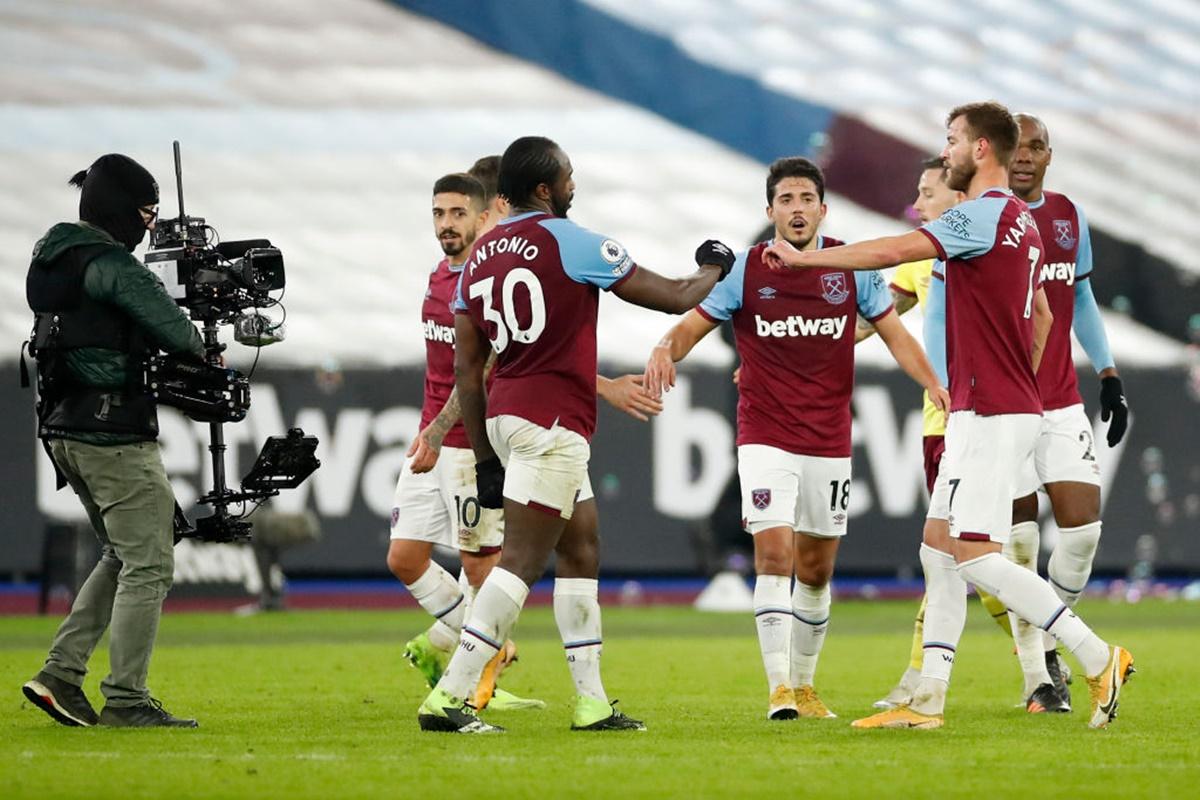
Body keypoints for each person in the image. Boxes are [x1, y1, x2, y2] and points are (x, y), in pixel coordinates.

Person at [764, 102, 1133, 730]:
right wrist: (1013, 375)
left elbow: (894, 251)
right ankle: (926, 699)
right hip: (993, 406)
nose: (947, 149)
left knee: (976, 557)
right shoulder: (1023, 220)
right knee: (939, 552)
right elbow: (1042, 317)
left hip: (988, 412)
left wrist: (805, 260)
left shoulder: (978, 217)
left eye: (953, 140)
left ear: (981, 149)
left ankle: (1099, 658)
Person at [417, 135, 732, 733]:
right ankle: (449, 696)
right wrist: (716, 263)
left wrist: (485, 456)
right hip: (553, 421)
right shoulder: (574, 240)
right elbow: (673, 297)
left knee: (580, 544)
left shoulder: (480, 257)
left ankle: (590, 702)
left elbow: (467, 366)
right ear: (545, 188)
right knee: (521, 562)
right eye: (567, 176)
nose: (573, 184)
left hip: (508, 416)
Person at [642, 157, 948, 721]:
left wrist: (934, 383)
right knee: (774, 554)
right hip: (765, 436)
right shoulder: (745, 270)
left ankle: (806, 688)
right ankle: (780, 687)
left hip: (829, 439)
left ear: (823, 209)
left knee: (816, 570)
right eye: (786, 200)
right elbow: (691, 325)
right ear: (771, 211)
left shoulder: (850, 268)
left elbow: (895, 334)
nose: (797, 209)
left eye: (807, 198)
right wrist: (664, 347)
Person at [22, 154, 204, 728]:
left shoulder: (52, 255)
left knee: (122, 555)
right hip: (111, 430)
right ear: (122, 208)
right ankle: (125, 698)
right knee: (150, 563)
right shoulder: (112, 264)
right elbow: (182, 338)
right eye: (146, 212)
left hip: (63, 428)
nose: (149, 225)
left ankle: (60, 675)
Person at [862, 159, 1015, 711]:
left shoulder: (983, 243)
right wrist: (808, 351)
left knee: (969, 555)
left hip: (980, 416)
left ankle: (1051, 655)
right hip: (942, 421)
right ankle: (931, 676)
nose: (918, 205)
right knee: (955, 556)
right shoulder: (927, 262)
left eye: (927, 193)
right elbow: (880, 313)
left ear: (954, 201)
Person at [386, 172, 541, 712]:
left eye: (457, 214)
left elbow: (481, 370)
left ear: (482, 217)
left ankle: (476, 679)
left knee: (481, 565)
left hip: (465, 443)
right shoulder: (437, 275)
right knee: (404, 557)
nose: (446, 224)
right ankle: (473, 646)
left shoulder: (484, 282)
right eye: (438, 214)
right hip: (429, 437)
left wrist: (436, 430)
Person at [1002, 113, 1129, 713]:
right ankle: (1038, 680)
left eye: (1036, 147)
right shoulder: (982, 217)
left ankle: (1053, 637)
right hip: (1001, 402)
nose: (1025, 156)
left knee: (1083, 529)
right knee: (1020, 543)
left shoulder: (1068, 217)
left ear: (1050, 156)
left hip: (1058, 399)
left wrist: (1107, 374)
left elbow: (1078, 295)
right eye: (1016, 147)